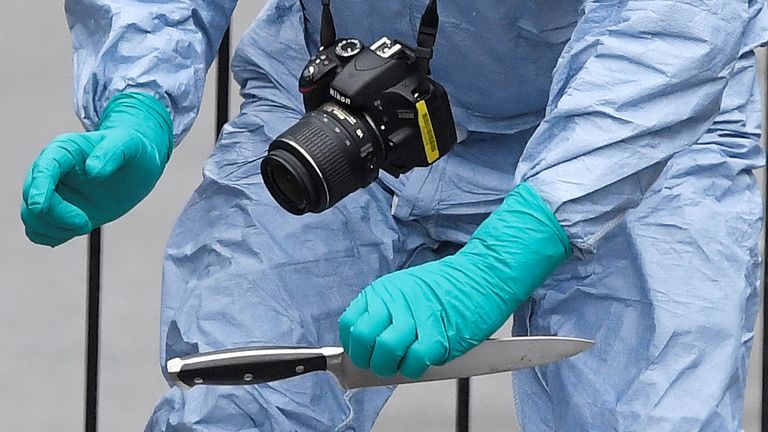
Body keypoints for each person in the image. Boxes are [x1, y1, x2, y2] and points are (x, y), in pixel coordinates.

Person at [21, 0, 768, 430]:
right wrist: (139, 101)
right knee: (236, 415)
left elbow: (675, 22)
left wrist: (508, 253)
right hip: (342, 100)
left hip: (640, 131)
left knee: (650, 420)